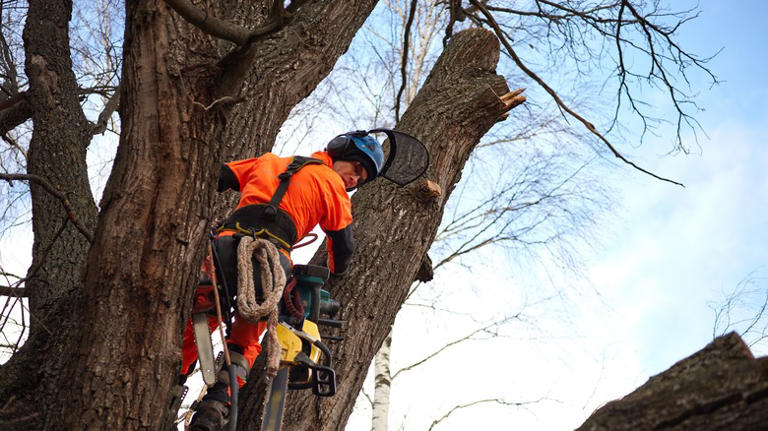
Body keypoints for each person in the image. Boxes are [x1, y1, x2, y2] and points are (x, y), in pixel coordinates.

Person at [182, 131, 385, 431]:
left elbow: (218, 175)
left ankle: (171, 379)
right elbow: (343, 247)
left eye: (362, 178)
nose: (355, 179)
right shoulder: (333, 188)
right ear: (339, 154)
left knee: (197, 316)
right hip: (271, 260)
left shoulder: (268, 161)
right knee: (247, 337)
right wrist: (335, 271)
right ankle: (217, 404)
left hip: (223, 249)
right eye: (356, 168)